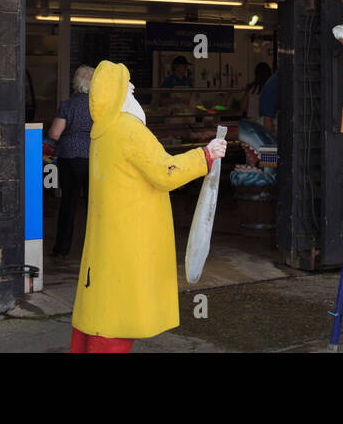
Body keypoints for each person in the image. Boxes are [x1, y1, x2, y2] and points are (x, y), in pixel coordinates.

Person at [70, 60, 226, 352]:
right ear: (119, 93)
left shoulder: (101, 132)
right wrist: (205, 156)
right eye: (127, 85)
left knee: (101, 306)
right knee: (119, 315)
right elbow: (165, 172)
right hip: (131, 237)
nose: (132, 88)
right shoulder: (130, 130)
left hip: (108, 238)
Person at [47, 65, 94, 259]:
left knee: (68, 203)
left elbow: (55, 134)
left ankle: (61, 249)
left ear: (77, 82)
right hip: (94, 158)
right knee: (95, 205)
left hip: (70, 158)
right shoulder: (100, 106)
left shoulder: (68, 105)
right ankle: (95, 250)